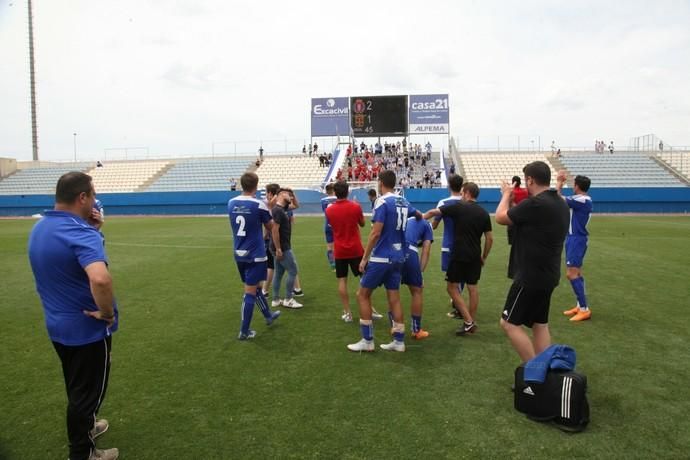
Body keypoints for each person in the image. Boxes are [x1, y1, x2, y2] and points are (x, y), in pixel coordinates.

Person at [28, 172, 119, 460]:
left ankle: (88, 426)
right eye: (92, 195)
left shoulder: (41, 228)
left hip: (58, 326)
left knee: (76, 386)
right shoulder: (79, 232)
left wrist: (94, 230)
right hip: (87, 329)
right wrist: (106, 313)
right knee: (86, 394)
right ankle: (83, 453)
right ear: (82, 198)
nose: (94, 200)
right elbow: (100, 279)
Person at [495, 161, 569, 363]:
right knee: (539, 324)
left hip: (530, 276)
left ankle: (535, 370)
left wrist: (506, 195)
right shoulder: (560, 202)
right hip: (549, 274)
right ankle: (545, 373)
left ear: (530, 180)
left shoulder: (536, 203)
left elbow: (500, 218)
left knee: (508, 323)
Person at [347, 170, 421, 352]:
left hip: (382, 257)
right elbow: (418, 214)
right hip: (399, 257)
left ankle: (367, 340)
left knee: (362, 295)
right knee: (394, 298)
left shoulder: (382, 201)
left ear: (380, 182)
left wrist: (365, 258)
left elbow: (375, 232)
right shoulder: (403, 200)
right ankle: (399, 341)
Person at [424, 182, 492, 335]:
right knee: (472, 288)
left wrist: (419, 217)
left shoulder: (458, 207)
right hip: (475, 256)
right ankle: (470, 321)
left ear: (467, 193)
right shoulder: (484, 213)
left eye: (463, 192)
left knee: (451, 287)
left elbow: (434, 212)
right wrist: (484, 257)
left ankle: (468, 321)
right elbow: (489, 239)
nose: (461, 195)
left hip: (459, 254)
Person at [227, 173, 282, 340]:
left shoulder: (231, 203)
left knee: (255, 287)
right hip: (256, 255)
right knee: (250, 292)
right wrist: (270, 208)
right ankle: (244, 331)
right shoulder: (259, 205)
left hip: (239, 253)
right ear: (256, 185)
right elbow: (271, 226)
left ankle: (268, 315)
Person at [325, 181, 365, 322]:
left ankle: (348, 313)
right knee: (364, 279)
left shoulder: (329, 210)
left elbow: (333, 225)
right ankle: (367, 309)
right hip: (356, 249)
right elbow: (362, 223)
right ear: (348, 191)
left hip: (340, 250)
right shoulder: (355, 206)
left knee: (342, 280)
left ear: (335, 193)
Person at [557, 171, 593, 322]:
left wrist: (559, 182)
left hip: (576, 239)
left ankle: (584, 309)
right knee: (576, 273)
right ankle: (580, 305)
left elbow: (558, 198)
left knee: (571, 274)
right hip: (575, 238)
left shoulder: (582, 200)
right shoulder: (582, 199)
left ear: (577, 186)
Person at [432, 174, 468, 319]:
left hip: (449, 245)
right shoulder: (467, 202)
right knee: (462, 276)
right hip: (466, 245)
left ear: (448, 186)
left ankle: (459, 307)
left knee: (452, 278)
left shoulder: (443, 203)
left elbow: (434, 225)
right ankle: (457, 300)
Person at [401, 211, 434, 339]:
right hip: (410, 251)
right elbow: (426, 250)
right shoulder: (427, 225)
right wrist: (420, 272)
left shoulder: (406, 220)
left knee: (392, 288)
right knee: (417, 290)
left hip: (393, 248)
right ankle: (416, 330)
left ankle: (395, 326)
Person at [270, 188, 303, 309]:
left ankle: (275, 299)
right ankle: (288, 298)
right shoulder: (278, 210)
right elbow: (274, 230)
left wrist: (292, 193)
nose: (291, 197)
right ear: (281, 195)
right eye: (288, 195)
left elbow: (296, 205)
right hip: (282, 247)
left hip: (281, 246)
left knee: (278, 273)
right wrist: (278, 248)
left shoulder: (282, 209)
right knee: (293, 270)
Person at [507, 176, 528, 279]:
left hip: (513, 218)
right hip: (524, 218)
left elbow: (508, 204)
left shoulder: (512, 193)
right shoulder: (525, 192)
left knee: (514, 243)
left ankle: (516, 263)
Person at [321, 183, 337, 270]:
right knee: (339, 245)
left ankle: (332, 265)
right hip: (337, 226)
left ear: (326, 191)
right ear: (334, 190)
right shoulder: (338, 199)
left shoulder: (323, 200)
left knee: (329, 246)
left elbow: (325, 211)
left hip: (328, 225)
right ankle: (340, 262)